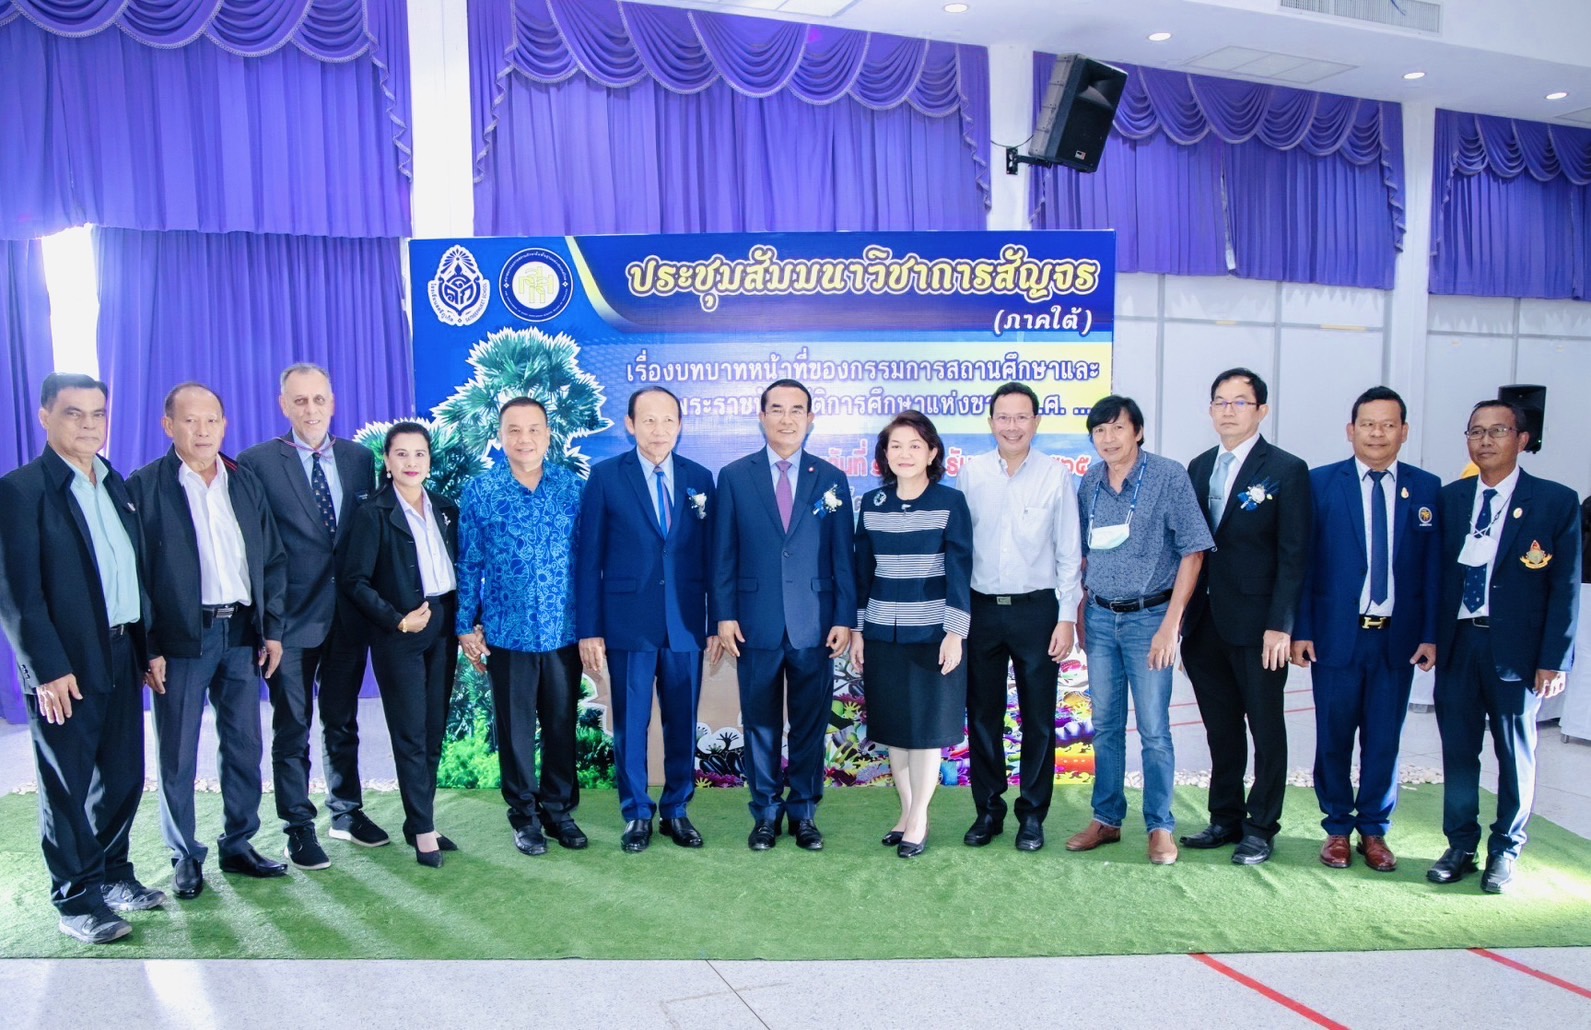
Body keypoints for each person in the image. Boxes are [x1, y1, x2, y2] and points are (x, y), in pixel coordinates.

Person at [0, 373, 165, 943]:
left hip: (122, 653)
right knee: (67, 784)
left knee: (121, 777)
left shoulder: (115, 484)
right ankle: (76, 901)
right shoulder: (21, 491)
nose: (89, 424)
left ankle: (114, 875)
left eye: (97, 414)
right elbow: (18, 594)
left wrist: (149, 649)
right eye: (74, 413)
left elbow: (133, 574)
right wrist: (46, 669)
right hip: (64, 666)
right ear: (45, 417)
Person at [129, 383, 289, 900]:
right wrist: (148, 645)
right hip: (180, 640)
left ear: (224, 424)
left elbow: (271, 559)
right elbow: (136, 576)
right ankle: (184, 854)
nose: (202, 431)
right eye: (191, 421)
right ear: (168, 425)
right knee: (177, 751)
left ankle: (239, 844)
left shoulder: (243, 482)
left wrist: (273, 629)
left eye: (212, 420)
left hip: (242, 633)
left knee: (244, 744)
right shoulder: (145, 487)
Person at [1428, 399, 1580, 893]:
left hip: (1516, 653)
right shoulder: (1450, 500)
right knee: (1458, 753)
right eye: (1476, 432)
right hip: (1458, 645)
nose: (1486, 440)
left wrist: (1553, 660)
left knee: (1515, 755)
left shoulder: (1555, 502)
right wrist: (1429, 637)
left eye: (1498, 431)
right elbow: (1432, 579)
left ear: (1522, 439)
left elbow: (1565, 588)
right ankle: (1460, 845)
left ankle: (1505, 851)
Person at [238, 363, 385, 870]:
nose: (311, 409)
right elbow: (254, 549)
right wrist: (266, 624)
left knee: (342, 721)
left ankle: (346, 813)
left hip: (348, 617)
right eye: (299, 401)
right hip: (290, 622)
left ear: (333, 401)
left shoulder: (360, 459)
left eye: (319, 399)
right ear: (284, 405)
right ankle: (297, 828)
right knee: (292, 728)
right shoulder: (255, 462)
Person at [1291, 386, 1441, 873]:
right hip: (1336, 635)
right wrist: (1302, 628)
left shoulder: (1426, 489)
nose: (1378, 432)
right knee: (1333, 736)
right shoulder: (1320, 484)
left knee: (1384, 738)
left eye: (1388, 424)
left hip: (1397, 639)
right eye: (1368, 424)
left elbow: (1434, 570)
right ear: (1350, 430)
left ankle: (1374, 831)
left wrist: (1431, 632)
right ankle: (1336, 829)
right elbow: (1304, 563)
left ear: (1404, 432)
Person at [1064, 396, 1211, 866]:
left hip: (1152, 620)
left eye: (1117, 429)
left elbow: (1193, 552)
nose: (1108, 439)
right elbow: (1086, 552)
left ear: (1138, 431)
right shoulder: (1089, 481)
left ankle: (1160, 825)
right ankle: (1106, 818)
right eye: (1099, 431)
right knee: (1105, 726)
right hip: (1102, 620)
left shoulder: (1168, 477)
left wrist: (1172, 626)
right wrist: (1084, 610)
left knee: (1153, 730)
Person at [712, 379, 855, 851]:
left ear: (811, 419)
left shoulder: (831, 478)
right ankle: (767, 813)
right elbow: (724, 554)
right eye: (777, 409)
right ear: (762, 416)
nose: (787, 418)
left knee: (812, 723)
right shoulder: (734, 476)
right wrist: (724, 615)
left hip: (816, 624)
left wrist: (844, 618)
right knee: (761, 723)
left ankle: (805, 813)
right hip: (754, 623)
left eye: (797, 410)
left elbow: (842, 556)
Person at [576, 387, 721, 853]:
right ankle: (636, 813)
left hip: (684, 624)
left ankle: (677, 810)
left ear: (680, 425)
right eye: (649, 421)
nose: (659, 431)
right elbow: (589, 559)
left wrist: (717, 622)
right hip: (626, 623)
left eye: (668, 421)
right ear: (631, 425)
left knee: (683, 722)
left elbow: (714, 558)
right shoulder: (605, 478)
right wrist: (590, 628)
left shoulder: (701, 479)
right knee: (631, 724)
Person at [1181, 368, 1311, 865]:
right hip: (1203, 622)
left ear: (1262, 410)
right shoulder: (1197, 466)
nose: (1228, 411)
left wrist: (1282, 623)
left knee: (1265, 725)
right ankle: (1225, 817)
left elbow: (1295, 553)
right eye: (1220, 402)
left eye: (1240, 402)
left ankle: (1261, 826)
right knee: (1221, 728)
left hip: (1259, 627)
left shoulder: (1285, 469)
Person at [457, 398, 588, 857]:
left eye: (534, 429)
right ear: (501, 435)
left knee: (560, 724)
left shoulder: (573, 490)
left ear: (549, 434)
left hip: (563, 631)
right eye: (514, 430)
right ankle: (524, 816)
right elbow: (470, 561)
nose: (524, 439)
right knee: (514, 730)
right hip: (506, 634)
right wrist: (464, 624)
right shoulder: (480, 492)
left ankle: (557, 811)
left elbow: (588, 564)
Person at [956, 382, 1082, 852]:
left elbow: (1069, 552)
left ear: (1036, 422)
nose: (1012, 426)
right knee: (984, 717)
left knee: (1039, 720)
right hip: (981, 611)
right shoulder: (970, 474)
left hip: (1037, 612)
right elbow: (959, 552)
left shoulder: (1056, 476)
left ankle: (1032, 815)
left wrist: (1066, 617)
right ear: (991, 422)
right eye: (1003, 417)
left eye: (1021, 417)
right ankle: (988, 811)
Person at [852, 411, 972, 858]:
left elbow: (960, 570)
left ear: (932, 453)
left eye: (915, 446)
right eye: (896, 445)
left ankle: (919, 818)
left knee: (925, 731)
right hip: (883, 633)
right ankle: (905, 812)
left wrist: (955, 633)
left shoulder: (949, 503)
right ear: (884, 454)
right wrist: (860, 630)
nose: (905, 454)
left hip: (932, 636)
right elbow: (863, 572)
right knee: (895, 731)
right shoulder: (872, 503)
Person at [340, 423, 460, 868]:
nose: (412, 463)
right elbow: (354, 581)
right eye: (402, 455)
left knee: (432, 731)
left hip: (443, 623)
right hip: (400, 633)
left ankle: (418, 819)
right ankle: (423, 829)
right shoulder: (373, 512)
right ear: (387, 462)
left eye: (420, 454)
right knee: (409, 732)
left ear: (430, 460)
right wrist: (396, 619)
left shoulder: (446, 509)